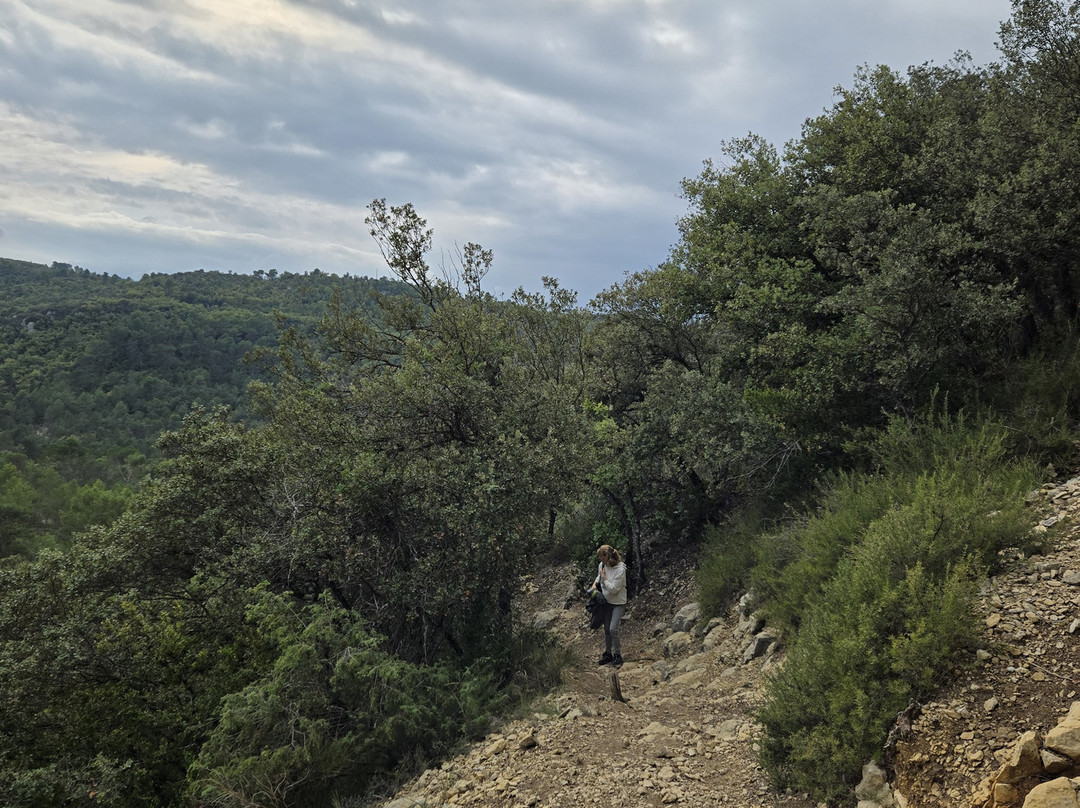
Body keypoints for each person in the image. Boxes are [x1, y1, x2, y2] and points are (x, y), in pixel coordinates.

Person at [593, 544, 627, 667]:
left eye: (602, 556)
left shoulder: (620, 569)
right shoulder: (602, 565)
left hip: (618, 603)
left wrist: (604, 579)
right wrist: (596, 583)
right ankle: (608, 653)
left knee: (613, 628)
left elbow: (614, 589)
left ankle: (618, 654)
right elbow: (599, 576)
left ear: (608, 555)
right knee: (607, 629)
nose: (600, 558)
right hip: (606, 602)